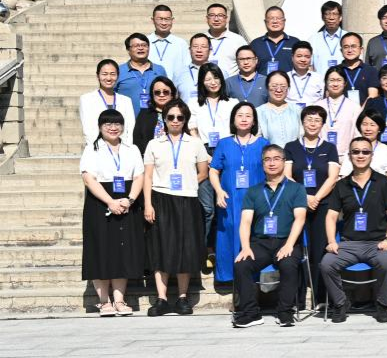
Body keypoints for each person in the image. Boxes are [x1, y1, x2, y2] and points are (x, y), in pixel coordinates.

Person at [321, 136, 387, 323]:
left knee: (386, 262)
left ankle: (382, 304)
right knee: (326, 263)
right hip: (349, 244)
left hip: (377, 243)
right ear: (349, 156)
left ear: (372, 155)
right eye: (356, 152)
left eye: (365, 151)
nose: (360, 155)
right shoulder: (341, 185)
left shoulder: (383, 182)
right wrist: (332, 241)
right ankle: (341, 303)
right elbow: (331, 216)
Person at [143, 100, 210, 316]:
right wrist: (148, 204)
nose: (175, 121)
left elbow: (203, 172)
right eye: (170, 117)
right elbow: (148, 176)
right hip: (161, 198)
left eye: (180, 117)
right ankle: (161, 298)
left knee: (185, 248)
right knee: (160, 248)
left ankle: (182, 297)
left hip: (187, 199)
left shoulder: (195, 143)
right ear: (164, 119)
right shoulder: (154, 144)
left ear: (185, 120)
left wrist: (187, 183)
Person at [231, 144, 308, 328]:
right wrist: (246, 247)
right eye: (267, 159)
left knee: (288, 264)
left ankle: (285, 312)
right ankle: (251, 313)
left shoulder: (297, 189)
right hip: (261, 243)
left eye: (276, 159)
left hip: (287, 241)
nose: (272, 163)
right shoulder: (253, 191)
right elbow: (245, 222)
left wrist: (289, 245)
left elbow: (300, 219)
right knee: (242, 265)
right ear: (263, 164)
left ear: (283, 162)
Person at [80, 109, 145, 317]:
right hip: (100, 202)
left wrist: (130, 199)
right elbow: (89, 179)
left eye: (117, 124)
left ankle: (119, 299)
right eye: (108, 124)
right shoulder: (92, 149)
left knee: (122, 250)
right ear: (100, 127)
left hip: (126, 201)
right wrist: (110, 201)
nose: (113, 127)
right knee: (100, 249)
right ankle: (104, 301)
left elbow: (139, 176)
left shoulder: (131, 149)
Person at [283, 105, 341, 307]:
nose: (313, 124)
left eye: (317, 120)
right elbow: (287, 175)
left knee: (320, 252)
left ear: (323, 124)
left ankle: (321, 298)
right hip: (297, 204)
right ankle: (297, 300)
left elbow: (333, 177)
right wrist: (305, 197)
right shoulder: (291, 146)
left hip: (322, 205)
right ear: (302, 122)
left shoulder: (329, 148)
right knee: (296, 251)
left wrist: (316, 197)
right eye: (309, 119)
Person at [208, 101, 269, 284]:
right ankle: (230, 277)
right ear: (233, 120)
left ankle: (252, 279)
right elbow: (213, 170)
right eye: (240, 115)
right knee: (229, 235)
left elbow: (272, 171)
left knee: (253, 236)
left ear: (254, 121)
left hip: (256, 201)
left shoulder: (263, 144)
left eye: (248, 116)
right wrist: (219, 191)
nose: (244, 119)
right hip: (229, 200)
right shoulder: (224, 144)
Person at [81, 59, 137, 145]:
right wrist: (100, 149)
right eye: (104, 74)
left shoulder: (126, 101)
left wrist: (124, 148)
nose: (108, 78)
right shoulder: (87, 99)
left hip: (122, 148)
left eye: (112, 74)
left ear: (118, 76)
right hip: (97, 148)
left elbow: (129, 129)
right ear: (98, 76)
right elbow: (88, 130)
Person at [338, 110, 387, 180]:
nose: (368, 129)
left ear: (379, 128)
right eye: (364, 124)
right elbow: (344, 176)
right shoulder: (353, 150)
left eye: (372, 125)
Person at [192, 63, 237, 153]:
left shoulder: (232, 103)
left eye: (216, 78)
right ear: (202, 82)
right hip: (204, 149)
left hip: (228, 147)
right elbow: (193, 130)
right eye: (208, 79)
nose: (213, 82)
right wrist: (202, 153)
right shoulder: (194, 103)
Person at [117, 33, 167, 113]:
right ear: (128, 50)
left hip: (156, 118)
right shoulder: (119, 71)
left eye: (144, 45)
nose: (140, 48)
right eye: (136, 46)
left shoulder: (159, 70)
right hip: (128, 119)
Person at [319, 67, 359, 157]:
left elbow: (357, 135)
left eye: (339, 80)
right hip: (322, 156)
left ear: (345, 83)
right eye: (332, 80)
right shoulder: (318, 106)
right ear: (326, 83)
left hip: (346, 157)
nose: (335, 84)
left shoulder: (354, 107)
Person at [133, 76, 178, 154]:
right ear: (152, 95)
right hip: (149, 157)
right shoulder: (144, 114)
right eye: (157, 92)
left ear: (172, 94)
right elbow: (137, 139)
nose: (161, 95)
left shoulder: (179, 113)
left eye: (165, 92)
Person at [249, 6, 298, 75]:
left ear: (284, 21)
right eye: (271, 18)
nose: (275, 21)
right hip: (263, 82)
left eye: (278, 18)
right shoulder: (255, 44)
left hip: (289, 81)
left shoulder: (295, 43)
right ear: (265, 22)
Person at [205, 3, 249, 78]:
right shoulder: (200, 40)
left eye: (220, 15)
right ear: (207, 18)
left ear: (226, 19)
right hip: (206, 83)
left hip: (230, 84)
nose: (216, 19)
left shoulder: (238, 40)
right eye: (212, 15)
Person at [257, 71, 300, 147]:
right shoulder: (258, 112)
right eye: (274, 86)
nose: (279, 90)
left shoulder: (297, 110)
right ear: (267, 87)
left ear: (288, 88)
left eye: (283, 86)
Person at [148, 4, 189, 79]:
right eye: (160, 19)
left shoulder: (181, 43)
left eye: (167, 19)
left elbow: (187, 68)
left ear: (172, 20)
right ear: (153, 20)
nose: (164, 23)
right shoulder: (145, 42)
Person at [338, 32, 378, 105]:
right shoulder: (335, 71)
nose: (350, 50)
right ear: (341, 50)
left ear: (361, 50)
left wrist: (360, 111)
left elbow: (372, 96)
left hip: (365, 111)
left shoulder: (371, 71)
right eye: (346, 47)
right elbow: (330, 97)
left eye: (353, 46)